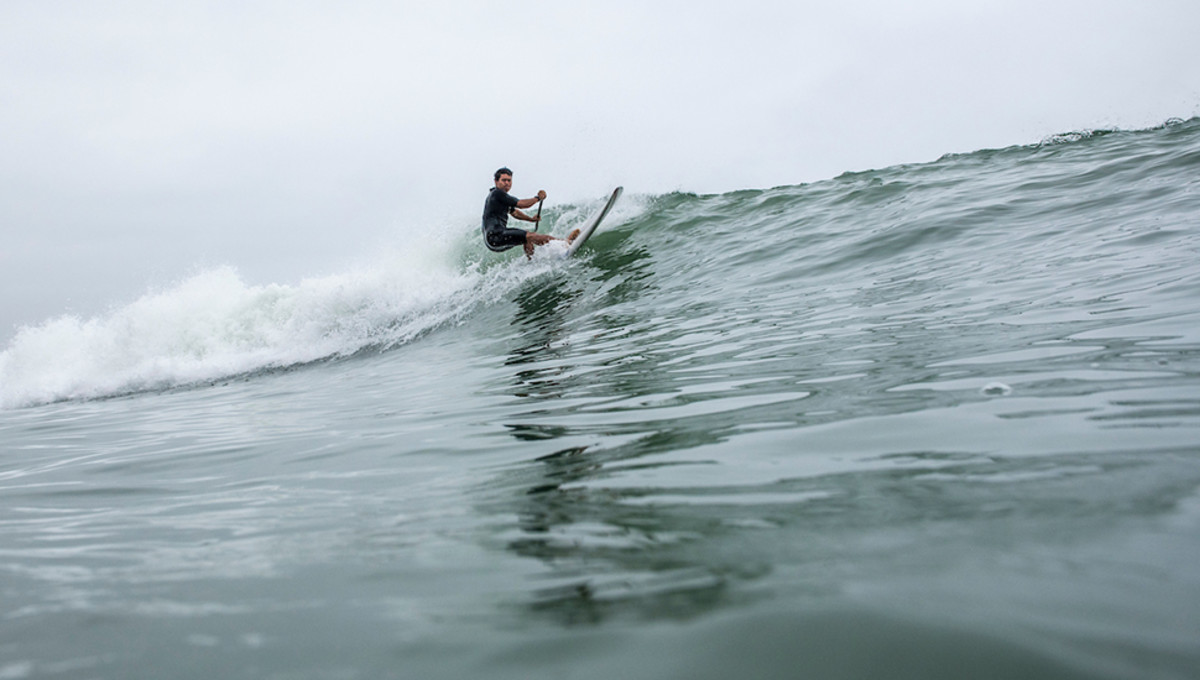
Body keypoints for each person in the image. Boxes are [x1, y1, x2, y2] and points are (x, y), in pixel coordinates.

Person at [482, 167, 578, 258]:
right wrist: (538, 198)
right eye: (504, 180)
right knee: (530, 236)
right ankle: (563, 243)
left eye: (509, 180)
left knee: (526, 238)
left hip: (493, 241)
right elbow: (521, 204)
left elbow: (514, 212)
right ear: (496, 181)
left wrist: (530, 219)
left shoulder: (497, 199)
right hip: (495, 236)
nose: (507, 183)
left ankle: (531, 261)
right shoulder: (497, 193)